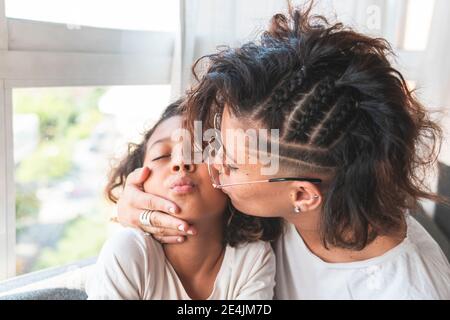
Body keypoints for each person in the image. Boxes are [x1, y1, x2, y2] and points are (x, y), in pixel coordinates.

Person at [114, 6, 450, 299]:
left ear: (302, 195)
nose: (210, 164)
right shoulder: (285, 175)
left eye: (229, 164)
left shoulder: (410, 290)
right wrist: (138, 212)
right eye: (214, 142)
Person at [85, 99, 282, 300]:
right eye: (161, 155)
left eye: (199, 151)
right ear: (138, 184)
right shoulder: (130, 251)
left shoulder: (252, 258)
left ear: (227, 168)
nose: (180, 161)